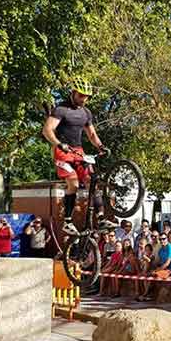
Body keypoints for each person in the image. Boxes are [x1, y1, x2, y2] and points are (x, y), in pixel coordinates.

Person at [41, 77, 116, 236]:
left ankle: (101, 218)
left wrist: (101, 146)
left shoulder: (86, 113)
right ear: (73, 92)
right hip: (62, 152)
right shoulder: (61, 109)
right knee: (73, 184)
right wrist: (58, 143)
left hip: (79, 152)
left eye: (87, 96)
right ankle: (67, 222)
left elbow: (92, 134)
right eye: (81, 95)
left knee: (92, 182)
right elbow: (47, 130)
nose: (84, 99)